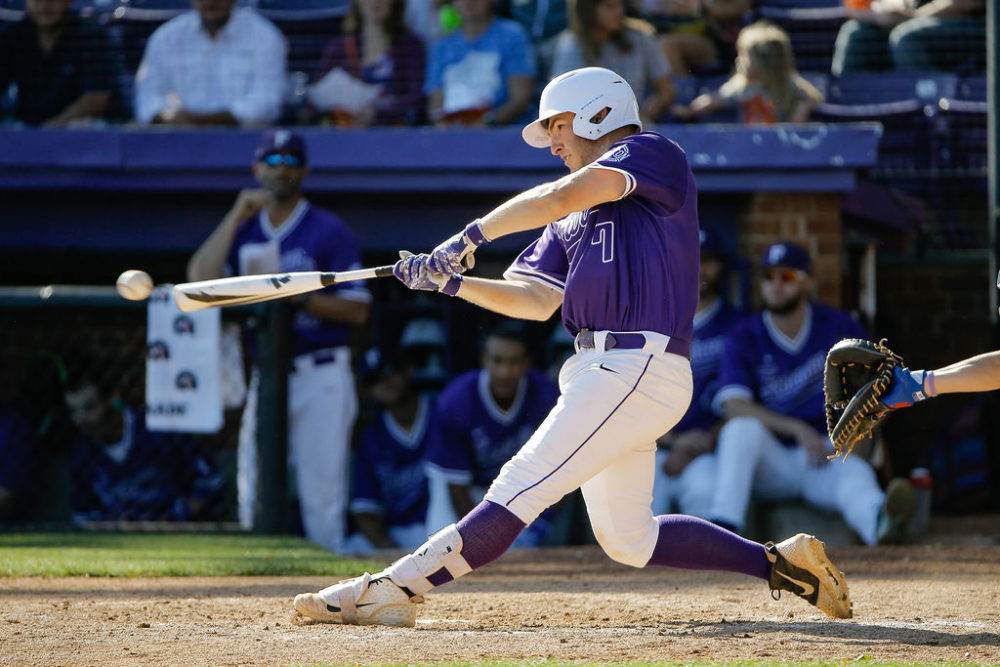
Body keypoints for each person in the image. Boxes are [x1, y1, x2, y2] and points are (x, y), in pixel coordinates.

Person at [293, 67, 854, 627]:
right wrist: (451, 283)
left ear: (597, 113)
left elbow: (559, 196)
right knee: (628, 538)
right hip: (598, 369)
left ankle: (391, 589)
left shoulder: (652, 154)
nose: (552, 142)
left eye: (557, 126)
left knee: (520, 484)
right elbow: (534, 299)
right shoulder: (572, 218)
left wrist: (468, 237)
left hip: (637, 364)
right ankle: (782, 565)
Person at [186, 128, 372, 552]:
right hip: (267, 373)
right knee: (253, 487)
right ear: (257, 168)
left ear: (304, 171)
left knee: (320, 494)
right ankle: (256, 580)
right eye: (273, 160)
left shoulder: (327, 229)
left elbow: (358, 309)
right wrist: (235, 215)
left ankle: (330, 578)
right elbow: (199, 282)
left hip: (320, 369)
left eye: (291, 161)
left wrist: (299, 296)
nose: (281, 169)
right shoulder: (246, 229)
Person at [706, 241, 913, 547]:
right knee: (740, 429)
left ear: (807, 282)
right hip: (774, 461)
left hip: (827, 453)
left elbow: (883, 389)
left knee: (854, 476)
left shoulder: (838, 327)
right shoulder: (746, 334)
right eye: (769, 276)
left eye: (787, 276)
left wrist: (860, 433)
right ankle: (723, 531)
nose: (777, 285)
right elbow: (734, 405)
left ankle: (881, 523)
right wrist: (795, 428)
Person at [423, 321, 560, 545]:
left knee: (530, 549)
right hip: (463, 487)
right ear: (483, 359)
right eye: (497, 360)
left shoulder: (546, 397)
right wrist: (484, 538)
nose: (504, 371)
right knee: (444, 546)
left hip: (517, 490)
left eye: (514, 362)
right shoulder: (456, 401)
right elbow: (456, 487)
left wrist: (541, 523)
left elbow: (560, 468)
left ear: (527, 362)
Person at [651, 228, 741, 518]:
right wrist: (672, 442)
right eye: (691, 258)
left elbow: (745, 400)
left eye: (708, 260)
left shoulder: (738, 327)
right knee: (637, 503)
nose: (699, 268)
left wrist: (697, 445)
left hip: (708, 448)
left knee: (705, 491)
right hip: (653, 444)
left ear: (721, 266)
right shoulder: (652, 324)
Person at [63, 373, 222, 522]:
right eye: (73, 411)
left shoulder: (158, 430)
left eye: (89, 408)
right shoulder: (82, 453)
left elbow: (210, 480)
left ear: (112, 400)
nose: (80, 420)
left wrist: (177, 518)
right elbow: (84, 514)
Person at [133, 0, 287, 127]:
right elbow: (148, 100)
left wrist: (212, 120)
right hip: (176, 137)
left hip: (243, 139)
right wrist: (171, 117)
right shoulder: (165, 37)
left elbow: (268, 101)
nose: (211, 2)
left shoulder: (265, 36)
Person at [343, 347, 432, 554]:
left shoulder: (440, 414)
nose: (384, 383)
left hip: (443, 525)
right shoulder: (370, 437)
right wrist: (394, 554)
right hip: (396, 533)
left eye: (390, 372)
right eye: (374, 379)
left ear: (408, 371)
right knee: (350, 547)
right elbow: (365, 512)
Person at [671, 21, 823, 124]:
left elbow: (813, 98)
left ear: (766, 61)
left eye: (745, 56)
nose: (739, 60)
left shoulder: (787, 83)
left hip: (779, 145)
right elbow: (713, 100)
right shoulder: (740, 87)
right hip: (748, 144)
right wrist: (689, 111)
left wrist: (801, 109)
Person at [550, 0, 674, 125]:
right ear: (588, 11)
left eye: (620, 5)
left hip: (635, 124)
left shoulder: (640, 38)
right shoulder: (571, 44)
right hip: (587, 127)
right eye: (610, 7)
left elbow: (665, 90)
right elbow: (562, 98)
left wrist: (643, 115)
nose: (619, 11)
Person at [0, 0, 124, 126]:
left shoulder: (91, 35)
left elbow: (98, 95)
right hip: (25, 129)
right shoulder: (12, 37)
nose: (44, 5)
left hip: (81, 130)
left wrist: (53, 127)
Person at [308, 0, 427, 126]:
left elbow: (417, 97)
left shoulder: (409, 46)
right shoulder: (338, 48)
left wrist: (379, 112)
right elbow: (314, 99)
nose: (375, 2)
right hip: (346, 129)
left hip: (393, 131)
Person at [424, 0, 537, 126]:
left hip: (504, 131)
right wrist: (445, 127)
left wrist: (487, 122)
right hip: (453, 132)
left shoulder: (512, 36)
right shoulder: (441, 47)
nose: (468, 2)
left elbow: (521, 97)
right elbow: (435, 105)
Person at [831, 0, 985, 75]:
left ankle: (926, 114)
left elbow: (967, 3)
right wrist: (881, 12)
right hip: (913, 19)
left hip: (977, 25)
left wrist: (914, 17)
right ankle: (849, 117)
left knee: (908, 39)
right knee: (857, 35)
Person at [644, 0, 751, 76]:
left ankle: (685, 93)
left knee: (667, 44)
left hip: (725, 46)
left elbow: (738, 8)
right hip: (695, 36)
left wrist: (700, 6)